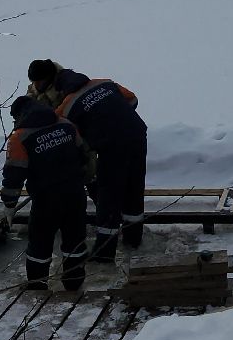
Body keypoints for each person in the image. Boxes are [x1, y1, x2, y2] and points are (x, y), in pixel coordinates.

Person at [28, 59, 147, 261]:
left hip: (112, 147)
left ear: (50, 83)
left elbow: (66, 139)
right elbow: (132, 100)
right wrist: (114, 118)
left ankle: (104, 253)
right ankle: (133, 239)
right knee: (133, 188)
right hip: (137, 135)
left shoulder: (67, 106)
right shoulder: (103, 83)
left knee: (109, 194)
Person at [1, 95, 95, 290]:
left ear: (19, 115)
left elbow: (14, 176)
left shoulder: (20, 137)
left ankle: (37, 287)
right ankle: (74, 284)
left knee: (39, 246)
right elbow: (85, 155)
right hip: (75, 195)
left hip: (46, 201)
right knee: (75, 241)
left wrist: (9, 205)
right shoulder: (66, 124)